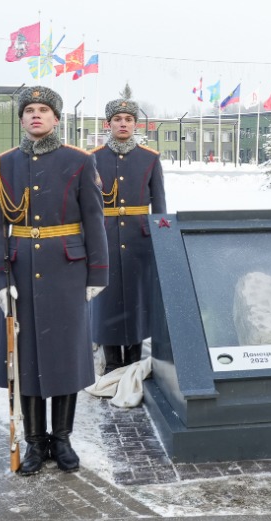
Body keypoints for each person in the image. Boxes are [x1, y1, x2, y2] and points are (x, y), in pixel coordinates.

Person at [0, 85, 109, 475]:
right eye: (29, 110)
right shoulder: (2, 165)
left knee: (66, 356)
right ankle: (36, 442)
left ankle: (63, 439)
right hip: (21, 271)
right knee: (26, 359)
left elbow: (93, 219)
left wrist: (97, 273)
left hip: (67, 271)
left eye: (43, 110)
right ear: (21, 119)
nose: (35, 115)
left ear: (56, 118)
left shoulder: (79, 161)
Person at [90, 98, 167, 373]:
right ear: (107, 124)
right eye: (118, 119)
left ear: (136, 124)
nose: (123, 123)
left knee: (136, 297)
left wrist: (161, 236)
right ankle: (112, 362)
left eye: (129, 119)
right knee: (107, 297)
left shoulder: (150, 158)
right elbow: (86, 203)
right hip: (105, 237)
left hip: (139, 239)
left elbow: (159, 203)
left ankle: (134, 358)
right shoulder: (94, 158)